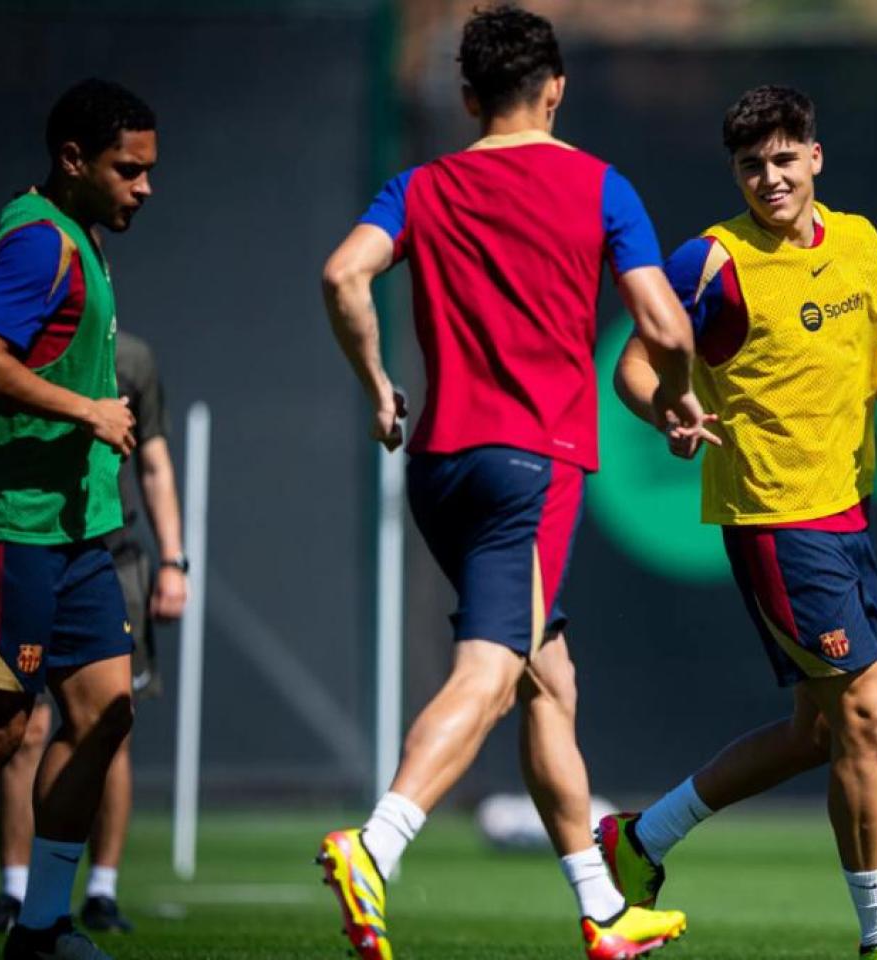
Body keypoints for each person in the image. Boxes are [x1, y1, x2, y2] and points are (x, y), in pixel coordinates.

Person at [315, 6, 704, 960]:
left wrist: (375, 386)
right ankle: (378, 843)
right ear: (557, 88)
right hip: (533, 467)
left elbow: (341, 276)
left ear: (465, 97)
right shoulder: (600, 185)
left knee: (547, 680)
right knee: (491, 675)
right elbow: (666, 323)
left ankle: (603, 912)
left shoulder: (421, 183)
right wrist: (682, 402)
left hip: (442, 462)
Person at [602, 85, 877, 960]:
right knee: (868, 714)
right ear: (735, 173)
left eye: (785, 158)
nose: (770, 177)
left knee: (817, 734)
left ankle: (639, 842)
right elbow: (634, 366)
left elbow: (855, 354)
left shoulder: (860, 240)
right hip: (774, 522)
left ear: (815, 158)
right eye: (752, 165)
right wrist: (667, 410)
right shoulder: (710, 263)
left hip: (848, 511)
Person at [0, 78, 157, 960]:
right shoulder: (40, 243)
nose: (144, 186)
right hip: (4, 525)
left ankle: (44, 929)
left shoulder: (58, 233)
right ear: (73, 161)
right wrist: (86, 409)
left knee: (106, 715)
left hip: (74, 526)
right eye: (128, 170)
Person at [0, 330, 189, 936]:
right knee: (20, 724)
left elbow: (155, 460)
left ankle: (99, 892)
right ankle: (16, 894)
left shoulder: (133, 357)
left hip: (110, 557)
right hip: (32, 543)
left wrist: (173, 559)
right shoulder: (16, 346)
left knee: (109, 719)